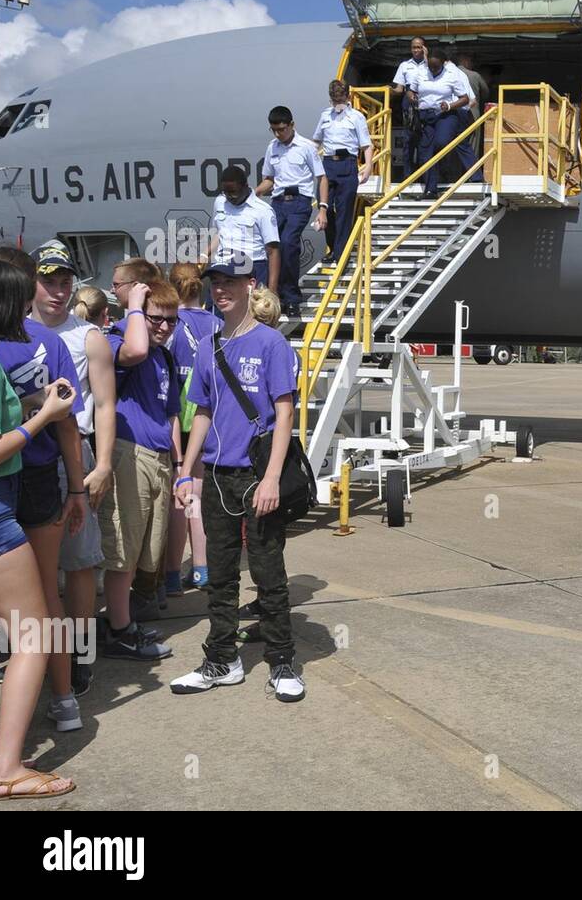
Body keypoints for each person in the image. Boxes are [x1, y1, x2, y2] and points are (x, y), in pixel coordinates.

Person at [171, 255, 305, 702]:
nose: (221, 290)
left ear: (251, 284)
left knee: (268, 570)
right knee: (222, 574)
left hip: (255, 473)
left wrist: (270, 480)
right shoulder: (209, 344)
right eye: (215, 283)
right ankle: (222, 660)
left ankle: (283, 660)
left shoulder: (271, 343)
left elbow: (284, 413)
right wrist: (187, 471)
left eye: (230, 281)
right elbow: (203, 411)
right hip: (216, 475)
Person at [0, 246, 88, 733]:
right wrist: (76, 488)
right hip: (34, 475)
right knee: (45, 591)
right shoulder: (46, 342)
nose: (55, 288)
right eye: (44, 278)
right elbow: (67, 424)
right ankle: (65, 699)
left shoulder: (19, 340)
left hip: (16, 477)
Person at [28, 241, 118, 698]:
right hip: (22, 457)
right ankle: (35, 654)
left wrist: (101, 465)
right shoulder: (10, 331)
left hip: (74, 456)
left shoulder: (88, 337)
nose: (58, 291)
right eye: (49, 282)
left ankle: (81, 655)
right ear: (32, 283)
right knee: (27, 571)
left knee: (79, 564)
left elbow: (104, 404)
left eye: (65, 282)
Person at [96, 278, 181, 662]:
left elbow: (172, 414)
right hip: (130, 454)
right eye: (155, 319)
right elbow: (134, 350)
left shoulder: (164, 357)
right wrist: (133, 308)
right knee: (124, 549)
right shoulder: (117, 341)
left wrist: (179, 465)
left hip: (160, 457)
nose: (163, 327)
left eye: (171, 321)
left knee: (148, 549)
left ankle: (122, 619)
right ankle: (117, 630)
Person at [162, 263, 222, 598]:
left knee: (177, 498)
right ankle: (201, 569)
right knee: (197, 497)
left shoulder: (167, 323)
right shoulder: (217, 323)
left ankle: (171, 573)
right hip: (207, 416)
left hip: (176, 417)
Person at [256, 106, 328, 319]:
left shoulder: (306, 147)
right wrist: (255, 193)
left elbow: (321, 177)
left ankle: (292, 298)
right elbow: (269, 179)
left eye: (282, 129)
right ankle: (270, 295)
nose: (279, 134)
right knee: (270, 246)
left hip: (299, 203)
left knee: (288, 243)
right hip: (277, 203)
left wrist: (322, 208)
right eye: (274, 130)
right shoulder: (272, 148)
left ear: (292, 125)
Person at [408, 46, 484, 200]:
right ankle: (431, 188)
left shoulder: (453, 73)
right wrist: (411, 96)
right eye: (431, 67)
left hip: (452, 113)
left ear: (444, 63)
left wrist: (450, 106)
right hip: (428, 115)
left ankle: (461, 176)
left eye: (436, 67)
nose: (433, 70)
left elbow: (469, 99)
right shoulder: (421, 73)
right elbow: (411, 90)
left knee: (443, 144)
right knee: (428, 151)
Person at [312, 80, 373, 264]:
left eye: (340, 99)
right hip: (328, 164)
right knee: (325, 207)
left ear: (347, 97)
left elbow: (366, 144)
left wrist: (368, 166)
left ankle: (341, 254)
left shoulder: (356, 117)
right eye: (334, 100)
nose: (336, 103)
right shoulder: (325, 116)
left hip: (347, 164)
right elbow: (316, 141)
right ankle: (333, 247)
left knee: (345, 211)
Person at [203, 165, 281, 294]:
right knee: (217, 311)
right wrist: (204, 254)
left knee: (252, 312)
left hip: (252, 267)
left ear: (245, 186)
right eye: (225, 192)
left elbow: (273, 251)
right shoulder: (219, 203)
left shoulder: (263, 211)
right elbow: (219, 234)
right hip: (223, 265)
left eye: (233, 191)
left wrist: (272, 291)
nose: (230, 196)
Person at [392, 37, 429, 174]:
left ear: (424, 48)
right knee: (408, 140)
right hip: (408, 103)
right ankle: (408, 176)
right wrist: (387, 90)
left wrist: (426, 57)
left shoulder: (430, 64)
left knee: (425, 140)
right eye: (414, 47)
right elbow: (399, 89)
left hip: (426, 100)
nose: (416, 50)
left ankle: (425, 176)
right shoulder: (404, 65)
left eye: (419, 47)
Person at [454, 50, 489, 153]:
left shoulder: (448, 74)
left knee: (454, 142)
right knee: (473, 141)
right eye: (471, 61)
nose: (472, 64)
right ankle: (472, 167)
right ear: (466, 61)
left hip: (454, 112)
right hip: (473, 112)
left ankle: (455, 168)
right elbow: (486, 93)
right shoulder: (475, 75)